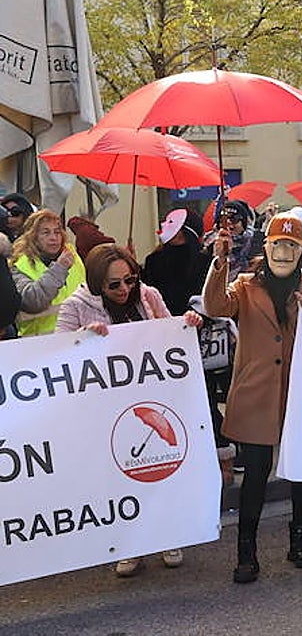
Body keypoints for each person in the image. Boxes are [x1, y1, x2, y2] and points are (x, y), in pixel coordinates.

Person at [56, 243, 202, 575]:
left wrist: (187, 322)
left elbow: (170, 334)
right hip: (104, 408)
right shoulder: (76, 306)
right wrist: (82, 338)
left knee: (157, 470)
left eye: (130, 280)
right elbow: (57, 354)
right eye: (114, 284)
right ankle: (131, 545)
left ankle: (167, 535)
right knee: (120, 478)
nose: (125, 289)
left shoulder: (148, 296)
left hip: (150, 398)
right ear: (96, 284)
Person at [202, 212, 302, 583]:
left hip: (299, 393)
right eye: (279, 245)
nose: (285, 252)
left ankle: (300, 538)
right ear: (267, 247)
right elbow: (214, 306)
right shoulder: (244, 286)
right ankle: (247, 548)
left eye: (292, 245)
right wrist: (220, 261)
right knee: (256, 475)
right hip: (256, 393)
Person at [10, 209, 86, 337]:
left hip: (77, 338)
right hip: (39, 343)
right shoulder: (19, 264)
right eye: (46, 233)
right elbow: (32, 301)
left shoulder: (72, 255)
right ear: (33, 237)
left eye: (57, 232)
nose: (53, 238)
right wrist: (59, 269)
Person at [142, 209, 205, 315]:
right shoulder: (153, 261)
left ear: (182, 231)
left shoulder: (205, 262)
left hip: (195, 323)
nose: (163, 224)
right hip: (162, 324)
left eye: (170, 222)